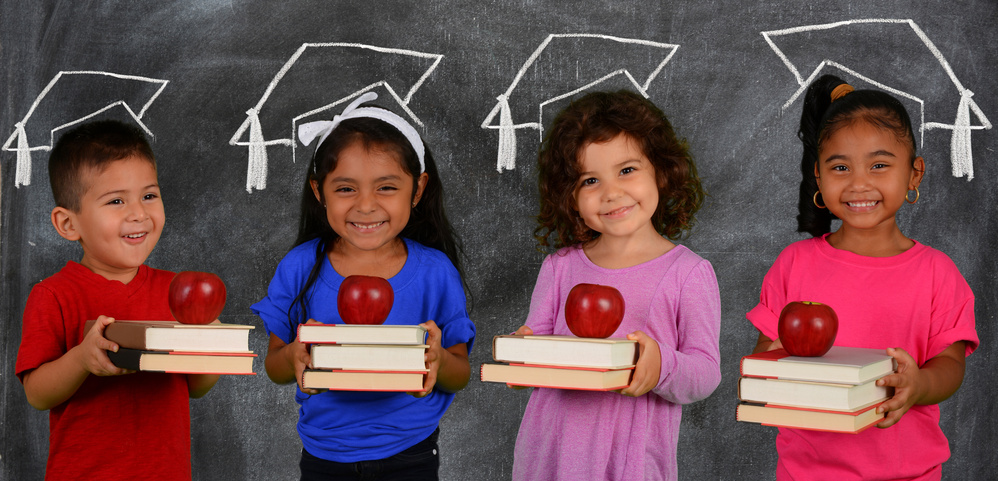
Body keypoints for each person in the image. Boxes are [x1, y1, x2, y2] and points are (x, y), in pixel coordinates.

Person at [747, 74, 979, 480]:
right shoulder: (794, 264)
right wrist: (775, 366)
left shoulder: (936, 273)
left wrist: (918, 385)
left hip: (908, 473)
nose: (859, 183)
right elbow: (766, 358)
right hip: (807, 473)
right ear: (818, 177)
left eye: (879, 165)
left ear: (914, 175)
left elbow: (950, 364)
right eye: (840, 167)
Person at [252, 92, 475, 480]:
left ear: (418, 190)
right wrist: (295, 357)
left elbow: (460, 372)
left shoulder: (435, 271)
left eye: (386, 187)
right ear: (319, 192)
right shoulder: (300, 266)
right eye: (345, 189)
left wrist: (437, 360)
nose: (366, 206)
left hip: (411, 454)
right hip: (323, 454)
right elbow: (275, 366)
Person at [510, 90, 721, 480]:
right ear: (570, 198)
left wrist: (662, 365)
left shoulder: (688, 273)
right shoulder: (560, 267)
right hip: (550, 455)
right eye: (590, 180)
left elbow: (706, 373)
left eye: (627, 170)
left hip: (631, 462)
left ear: (660, 171)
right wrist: (524, 356)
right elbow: (535, 345)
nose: (611, 193)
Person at [15, 120, 219, 480]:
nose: (138, 213)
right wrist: (81, 359)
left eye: (149, 196)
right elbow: (37, 394)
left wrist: (209, 344)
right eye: (116, 200)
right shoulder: (54, 295)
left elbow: (196, 387)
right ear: (68, 224)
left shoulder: (177, 292)